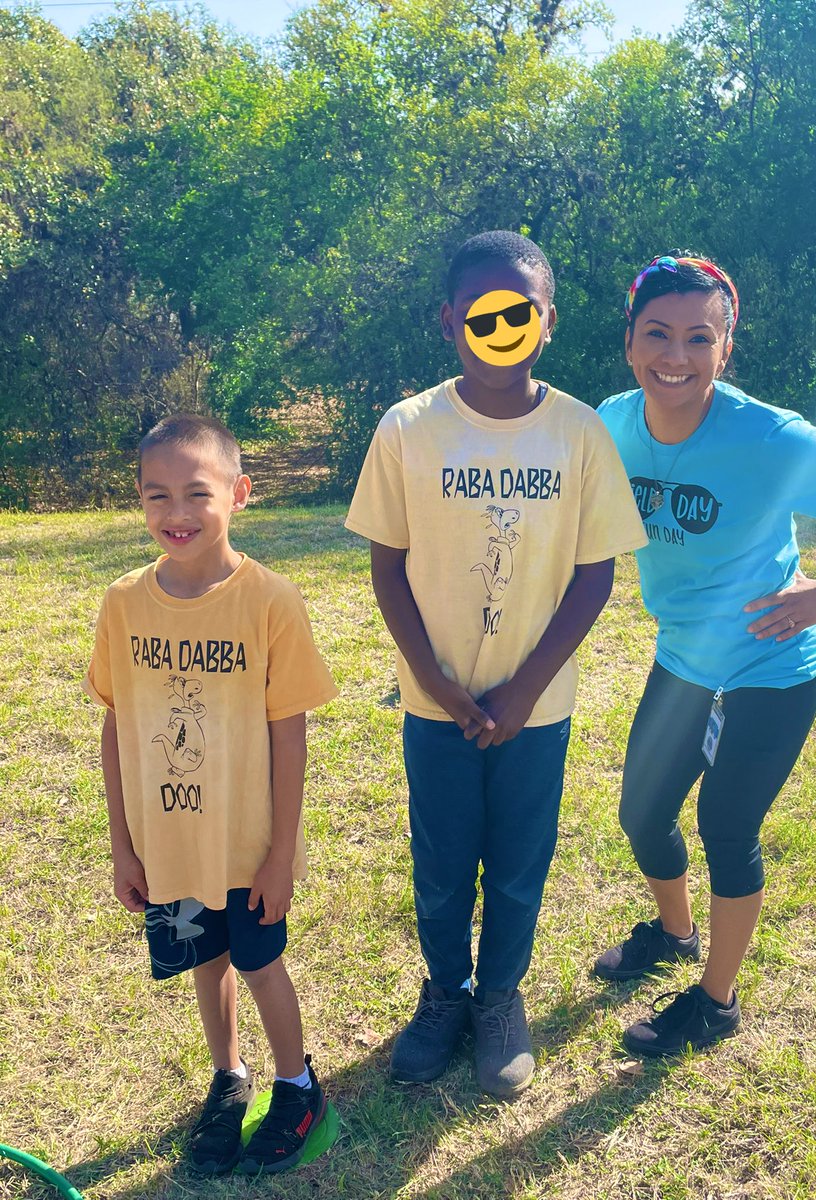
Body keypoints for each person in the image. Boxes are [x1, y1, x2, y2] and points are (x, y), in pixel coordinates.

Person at [346, 230, 647, 1097]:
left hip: (535, 708)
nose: (500, 326)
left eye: (520, 312)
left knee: (519, 860)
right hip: (434, 702)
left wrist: (523, 688)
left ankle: (502, 999)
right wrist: (438, 682)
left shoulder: (579, 433)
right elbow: (388, 565)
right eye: (481, 312)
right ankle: (445, 995)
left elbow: (595, 574)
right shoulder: (408, 429)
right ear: (449, 321)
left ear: (547, 323)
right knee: (441, 859)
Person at [594, 252, 816, 1057]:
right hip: (685, 658)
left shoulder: (766, 434)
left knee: (726, 826)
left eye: (700, 338)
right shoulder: (611, 424)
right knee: (641, 813)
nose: (676, 356)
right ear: (628, 340)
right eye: (657, 334)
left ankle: (716, 1002)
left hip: (773, 667)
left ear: (725, 350)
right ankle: (674, 932)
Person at [84, 414, 338, 1174]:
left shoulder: (269, 600)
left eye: (198, 493)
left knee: (260, 965)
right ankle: (229, 1078)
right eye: (157, 496)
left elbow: (288, 734)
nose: (178, 513)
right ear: (139, 502)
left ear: (241, 492)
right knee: (207, 962)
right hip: (169, 846)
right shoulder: (124, 604)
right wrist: (125, 846)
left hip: (248, 844)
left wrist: (280, 855)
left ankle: (299, 1090)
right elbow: (115, 723)